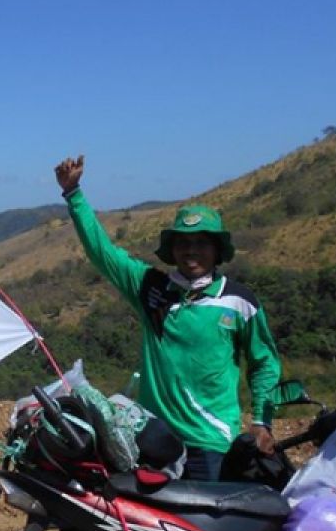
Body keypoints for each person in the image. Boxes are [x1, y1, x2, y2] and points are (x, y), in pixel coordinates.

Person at [54, 155, 281, 481]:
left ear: (217, 250)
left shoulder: (239, 302)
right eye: (184, 243)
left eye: (202, 243)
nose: (191, 251)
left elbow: (265, 363)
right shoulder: (151, 288)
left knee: (202, 530)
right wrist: (73, 193)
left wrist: (262, 420)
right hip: (153, 437)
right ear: (172, 249)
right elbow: (102, 252)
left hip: (212, 442)